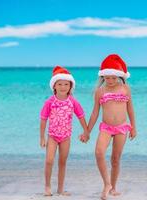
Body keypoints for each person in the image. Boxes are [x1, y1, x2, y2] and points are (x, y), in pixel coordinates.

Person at [80, 54, 137, 199]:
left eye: (113, 77)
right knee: (99, 153)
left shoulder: (125, 89)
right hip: (106, 127)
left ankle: (113, 187)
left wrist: (133, 127)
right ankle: (107, 184)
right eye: (107, 77)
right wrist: (87, 132)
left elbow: (130, 109)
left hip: (122, 128)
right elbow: (94, 113)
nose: (110, 80)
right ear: (103, 76)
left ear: (119, 76)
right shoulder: (100, 91)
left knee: (115, 159)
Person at [40, 66, 89, 196]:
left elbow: (81, 116)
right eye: (60, 84)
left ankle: (60, 189)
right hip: (52, 136)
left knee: (62, 162)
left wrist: (86, 131)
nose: (63, 86)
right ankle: (47, 186)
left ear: (70, 86)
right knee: (49, 160)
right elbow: (43, 119)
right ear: (54, 86)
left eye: (66, 84)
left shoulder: (72, 101)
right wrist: (42, 137)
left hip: (66, 137)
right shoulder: (50, 102)